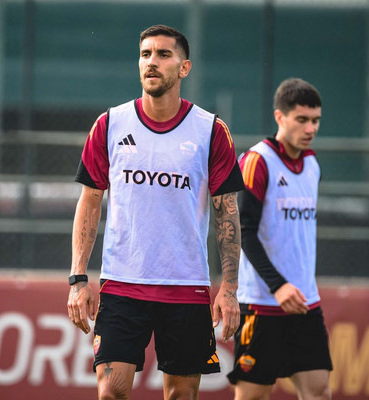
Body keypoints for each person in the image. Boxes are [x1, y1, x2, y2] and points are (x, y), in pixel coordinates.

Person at [67, 24, 245, 399]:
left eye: (164, 54)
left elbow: (227, 213)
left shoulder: (211, 130)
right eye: (145, 54)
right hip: (122, 283)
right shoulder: (110, 124)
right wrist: (78, 278)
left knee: (181, 395)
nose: (152, 62)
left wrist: (229, 288)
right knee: (110, 391)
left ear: (184, 67)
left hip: (186, 286)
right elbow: (90, 201)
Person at [227, 78, 332, 400]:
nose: (310, 128)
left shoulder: (312, 164)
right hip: (262, 304)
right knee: (253, 395)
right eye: (302, 119)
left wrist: (294, 287)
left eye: (315, 120)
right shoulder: (257, 161)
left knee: (319, 391)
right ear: (279, 117)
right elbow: (243, 232)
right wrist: (278, 285)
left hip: (305, 303)